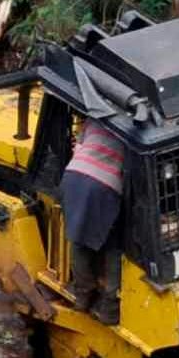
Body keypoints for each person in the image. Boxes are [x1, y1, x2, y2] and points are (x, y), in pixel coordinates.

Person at [60, 119, 128, 304]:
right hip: (104, 185)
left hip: (73, 176)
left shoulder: (93, 121)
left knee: (78, 239)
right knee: (113, 243)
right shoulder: (134, 128)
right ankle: (111, 302)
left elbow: (77, 148)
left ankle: (83, 294)